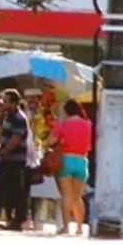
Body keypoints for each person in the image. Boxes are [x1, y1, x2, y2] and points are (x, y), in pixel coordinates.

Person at [0, 89, 29, 231]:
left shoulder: (19, 118)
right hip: (7, 160)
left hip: (14, 162)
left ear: (14, 103)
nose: (2, 104)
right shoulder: (8, 117)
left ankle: (17, 221)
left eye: (5, 101)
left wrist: (2, 154)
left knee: (15, 192)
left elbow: (14, 140)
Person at [48, 99, 92, 235]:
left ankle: (66, 227)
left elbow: (50, 141)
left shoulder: (63, 124)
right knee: (77, 197)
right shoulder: (88, 124)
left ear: (66, 111)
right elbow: (89, 146)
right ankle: (79, 228)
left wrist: (61, 141)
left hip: (66, 160)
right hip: (82, 161)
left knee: (67, 195)